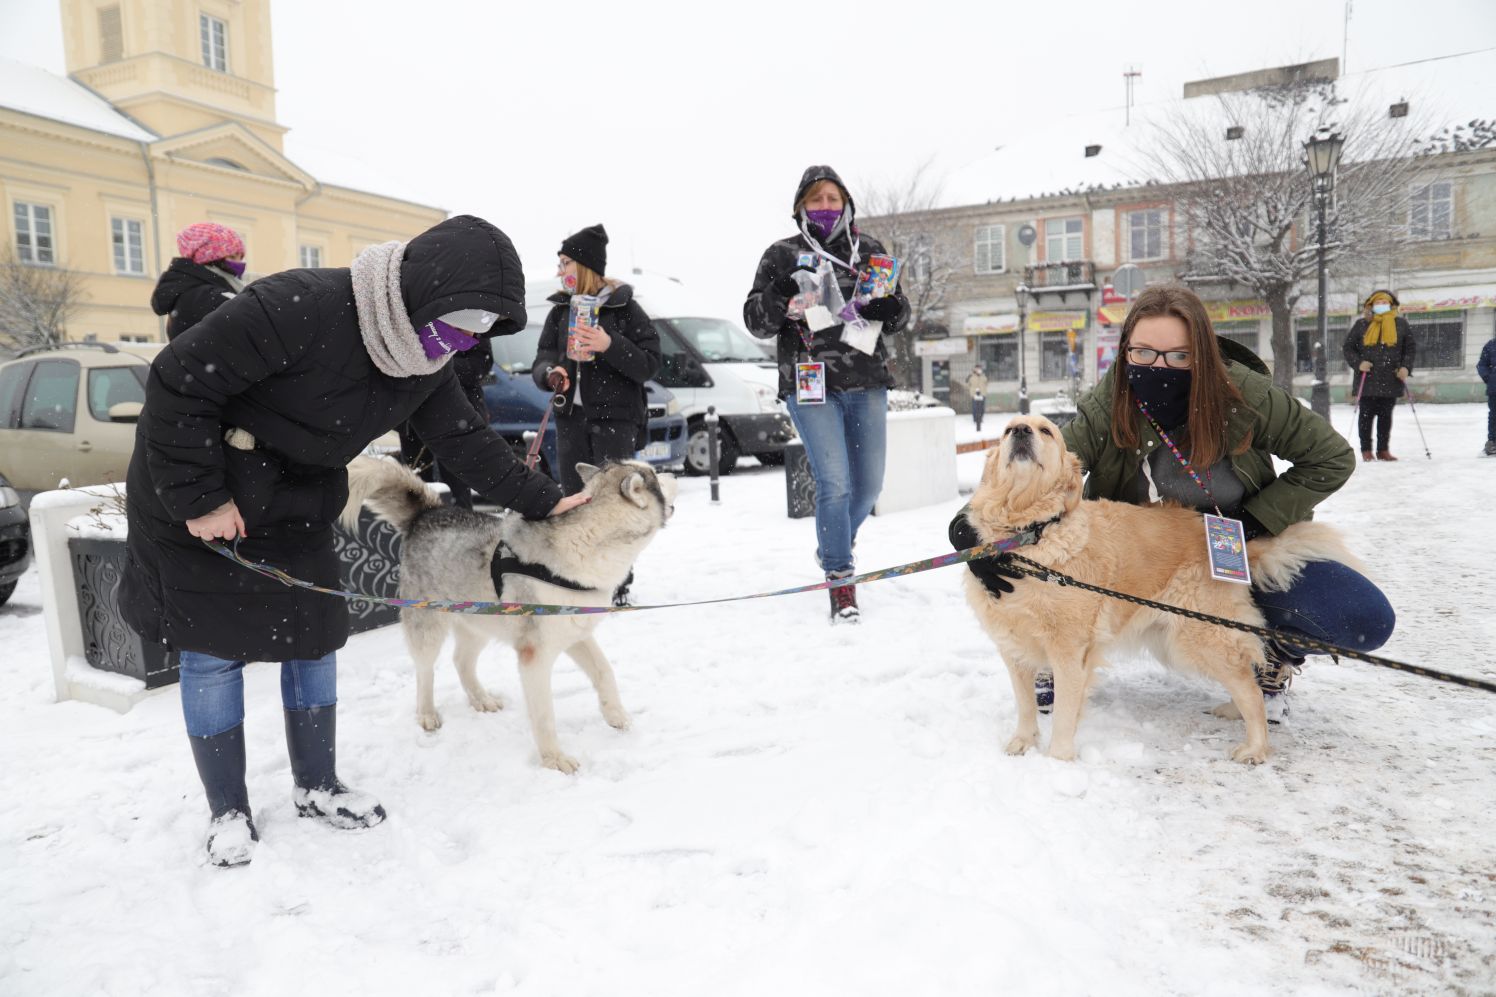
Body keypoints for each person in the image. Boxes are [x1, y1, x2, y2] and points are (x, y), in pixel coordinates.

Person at [121, 215, 589, 868]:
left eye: (482, 330)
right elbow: (177, 381)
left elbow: (466, 440)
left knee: (312, 636)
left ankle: (317, 785)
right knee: (213, 651)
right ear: (424, 292)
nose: (465, 340)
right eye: (464, 320)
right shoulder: (298, 307)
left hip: (295, 493)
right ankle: (227, 809)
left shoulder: (423, 361)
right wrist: (200, 497)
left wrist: (547, 498)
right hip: (200, 486)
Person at [951, 284, 1395, 723]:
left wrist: (1254, 521)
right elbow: (1038, 471)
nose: (1158, 367)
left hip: (1241, 547)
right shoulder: (1109, 404)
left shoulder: (1244, 394)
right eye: (1143, 353)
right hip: (1151, 563)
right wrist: (970, 533)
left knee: (1360, 616)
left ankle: (1272, 655)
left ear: (1200, 352)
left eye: (1178, 356)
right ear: (1125, 351)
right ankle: (1051, 656)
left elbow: (1332, 458)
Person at [743, 165, 910, 623]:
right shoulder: (781, 254)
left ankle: (831, 544)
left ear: (846, 204)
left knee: (869, 485)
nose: (824, 208)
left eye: (832, 199)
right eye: (815, 200)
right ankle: (841, 578)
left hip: (867, 380)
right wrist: (779, 292)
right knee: (834, 483)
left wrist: (891, 308)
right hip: (809, 382)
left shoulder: (870, 249)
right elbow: (756, 321)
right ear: (800, 207)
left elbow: (900, 313)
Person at [531, 224, 661, 497]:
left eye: (565, 263)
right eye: (559, 264)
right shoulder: (561, 311)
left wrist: (610, 345)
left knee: (613, 502)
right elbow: (542, 357)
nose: (559, 271)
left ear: (584, 265)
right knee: (575, 501)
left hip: (615, 421)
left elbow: (649, 364)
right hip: (570, 420)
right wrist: (550, 373)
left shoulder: (624, 308)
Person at [397, 342, 494, 510]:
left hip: (456, 417)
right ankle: (423, 530)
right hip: (412, 414)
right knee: (417, 488)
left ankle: (461, 530)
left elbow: (479, 366)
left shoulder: (467, 319)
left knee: (458, 486)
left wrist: (436, 364)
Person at [1342, 289, 1416, 462]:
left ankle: (1383, 450)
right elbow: (1348, 348)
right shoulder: (1362, 325)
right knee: (1365, 417)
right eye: (1378, 303)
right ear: (1371, 305)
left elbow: (1410, 348)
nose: (1381, 306)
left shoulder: (1401, 324)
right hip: (1367, 380)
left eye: (1385, 303)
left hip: (1391, 378)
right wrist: (1359, 363)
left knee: (1385, 417)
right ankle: (1366, 450)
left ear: (1391, 305)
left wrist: (1405, 367)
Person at [150, 222, 247, 341]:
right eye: (232, 257)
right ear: (211, 258)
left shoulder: (194, 290)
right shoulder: (209, 297)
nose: (240, 263)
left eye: (240, 257)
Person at [1478, 329, 1496, 456]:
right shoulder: (1490, 345)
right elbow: (1482, 365)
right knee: (1494, 416)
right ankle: (1493, 443)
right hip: (1494, 388)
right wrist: (1489, 378)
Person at [966, 364, 989, 430]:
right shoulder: (971, 376)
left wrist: (983, 389)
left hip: (982, 394)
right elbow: (968, 384)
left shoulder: (984, 376)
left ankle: (980, 419)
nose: (978, 370)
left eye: (979, 368)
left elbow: (987, 383)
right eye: (977, 368)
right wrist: (972, 390)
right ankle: (975, 419)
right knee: (975, 407)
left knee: (982, 407)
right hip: (974, 394)